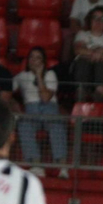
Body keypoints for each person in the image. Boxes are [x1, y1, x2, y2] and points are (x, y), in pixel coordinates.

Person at [13, 47, 65, 178]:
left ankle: (62, 167)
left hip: (49, 108)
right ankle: (36, 165)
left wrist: (39, 76)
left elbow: (46, 97)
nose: (34, 60)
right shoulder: (21, 76)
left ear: (43, 61)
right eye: (32, 57)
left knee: (56, 125)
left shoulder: (50, 75)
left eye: (38, 58)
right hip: (31, 110)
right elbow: (7, 92)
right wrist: (14, 105)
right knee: (24, 125)